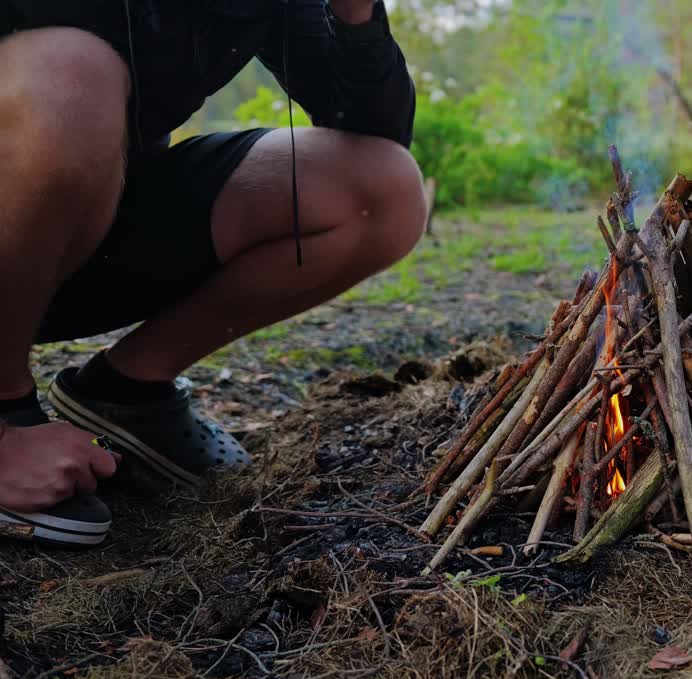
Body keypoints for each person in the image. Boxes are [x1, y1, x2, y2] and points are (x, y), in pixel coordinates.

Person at [0, 1, 428, 546]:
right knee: (68, 71)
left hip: (76, 235)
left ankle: (124, 392)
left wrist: (356, 17)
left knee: (381, 189)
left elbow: (375, 131)